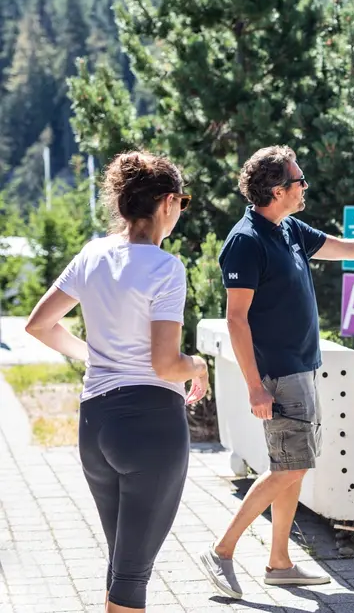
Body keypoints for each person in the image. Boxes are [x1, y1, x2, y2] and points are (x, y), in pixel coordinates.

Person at [199, 145, 354, 599]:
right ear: (275, 189)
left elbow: (344, 247)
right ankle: (221, 550)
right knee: (290, 468)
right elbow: (235, 319)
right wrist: (253, 386)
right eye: (298, 180)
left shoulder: (287, 228)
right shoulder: (246, 241)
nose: (305, 186)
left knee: (292, 468)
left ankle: (279, 562)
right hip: (277, 377)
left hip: (302, 370)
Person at [25, 151, 209, 613]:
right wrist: (199, 365)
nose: (180, 211)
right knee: (130, 580)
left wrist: (95, 356)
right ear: (167, 202)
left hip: (95, 425)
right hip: (150, 426)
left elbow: (40, 325)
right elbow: (166, 366)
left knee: (121, 564)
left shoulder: (91, 254)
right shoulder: (166, 268)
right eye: (182, 202)